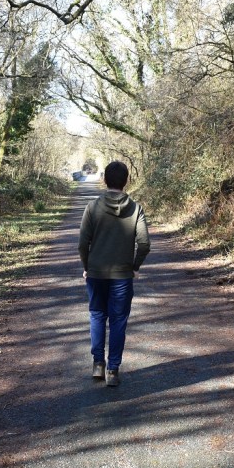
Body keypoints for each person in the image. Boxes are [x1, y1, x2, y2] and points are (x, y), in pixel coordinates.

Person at [78, 160, 150, 387]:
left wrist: (87, 266)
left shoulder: (92, 207)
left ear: (105, 179)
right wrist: (134, 267)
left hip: (96, 273)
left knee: (97, 315)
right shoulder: (136, 209)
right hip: (122, 275)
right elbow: (144, 244)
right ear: (126, 181)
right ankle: (113, 370)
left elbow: (82, 243)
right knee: (118, 321)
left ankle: (98, 364)